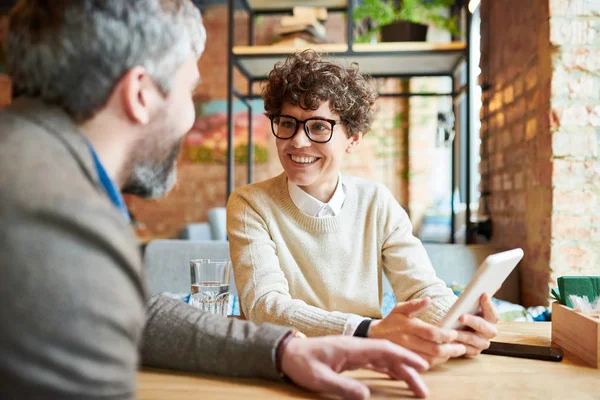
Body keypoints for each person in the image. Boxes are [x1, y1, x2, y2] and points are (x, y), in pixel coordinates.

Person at [0, 2, 430, 399]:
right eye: (190, 92)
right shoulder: (55, 211)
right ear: (140, 94)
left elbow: (133, 312)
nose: (191, 117)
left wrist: (281, 352)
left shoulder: (37, 163)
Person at [227, 50, 499, 367]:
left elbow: (421, 289)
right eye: (287, 123)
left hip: (370, 361)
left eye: (318, 127)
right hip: (289, 362)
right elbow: (264, 305)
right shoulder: (250, 204)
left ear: (353, 139)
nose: (298, 141)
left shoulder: (377, 202)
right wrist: (369, 331)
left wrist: (460, 322)